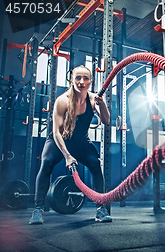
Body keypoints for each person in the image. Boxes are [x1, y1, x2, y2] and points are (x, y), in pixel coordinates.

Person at [29, 65, 112, 224]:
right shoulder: (63, 100)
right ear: (72, 80)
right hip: (59, 140)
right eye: (78, 78)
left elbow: (106, 121)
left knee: (95, 164)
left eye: (85, 78)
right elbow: (56, 132)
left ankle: (100, 209)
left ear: (90, 81)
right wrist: (67, 156)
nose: (81, 81)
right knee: (46, 163)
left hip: (80, 141)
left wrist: (102, 105)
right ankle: (38, 209)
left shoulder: (94, 99)